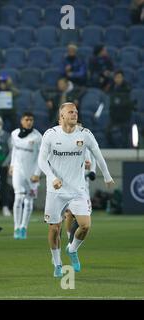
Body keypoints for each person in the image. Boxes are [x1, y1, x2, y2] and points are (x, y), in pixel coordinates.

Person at [38, 102, 114, 278]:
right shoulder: (50, 135)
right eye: (70, 112)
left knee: (85, 225)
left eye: (76, 112)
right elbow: (42, 161)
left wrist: (107, 175)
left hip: (78, 189)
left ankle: (72, 249)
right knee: (54, 229)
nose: (75, 114)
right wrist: (52, 177)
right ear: (62, 116)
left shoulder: (85, 134)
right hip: (55, 190)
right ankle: (57, 263)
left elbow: (98, 155)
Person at [9, 112, 42, 240]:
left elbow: (41, 157)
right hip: (18, 170)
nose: (29, 122)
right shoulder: (14, 134)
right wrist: (12, 165)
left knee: (28, 201)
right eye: (27, 119)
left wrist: (37, 173)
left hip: (32, 173)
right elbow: (15, 151)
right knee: (18, 198)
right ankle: (16, 227)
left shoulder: (38, 137)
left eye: (31, 120)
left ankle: (24, 227)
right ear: (22, 120)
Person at [106, 70, 135, 148]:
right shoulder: (111, 87)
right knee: (107, 131)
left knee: (125, 132)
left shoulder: (127, 88)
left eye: (120, 77)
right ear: (114, 78)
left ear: (123, 78)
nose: (118, 79)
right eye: (116, 77)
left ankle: (126, 148)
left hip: (124, 115)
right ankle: (113, 148)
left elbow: (128, 103)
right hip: (114, 115)